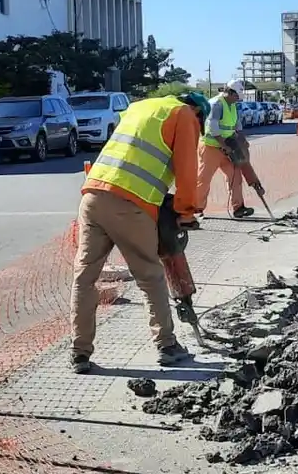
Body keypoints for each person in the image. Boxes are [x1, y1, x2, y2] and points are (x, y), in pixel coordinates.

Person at [71, 91, 208, 374]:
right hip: (130, 204)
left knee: (84, 278)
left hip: (93, 195)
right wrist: (186, 212)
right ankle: (167, 345)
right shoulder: (183, 114)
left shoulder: (139, 107)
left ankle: (79, 353)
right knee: (150, 276)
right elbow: (187, 169)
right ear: (197, 111)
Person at [195, 79, 253, 219]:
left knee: (235, 176)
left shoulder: (232, 105)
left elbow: (236, 124)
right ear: (230, 92)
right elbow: (213, 128)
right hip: (211, 147)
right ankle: (196, 209)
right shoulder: (216, 104)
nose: (237, 100)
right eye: (236, 96)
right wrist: (224, 146)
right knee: (203, 179)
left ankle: (238, 208)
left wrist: (242, 140)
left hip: (227, 147)